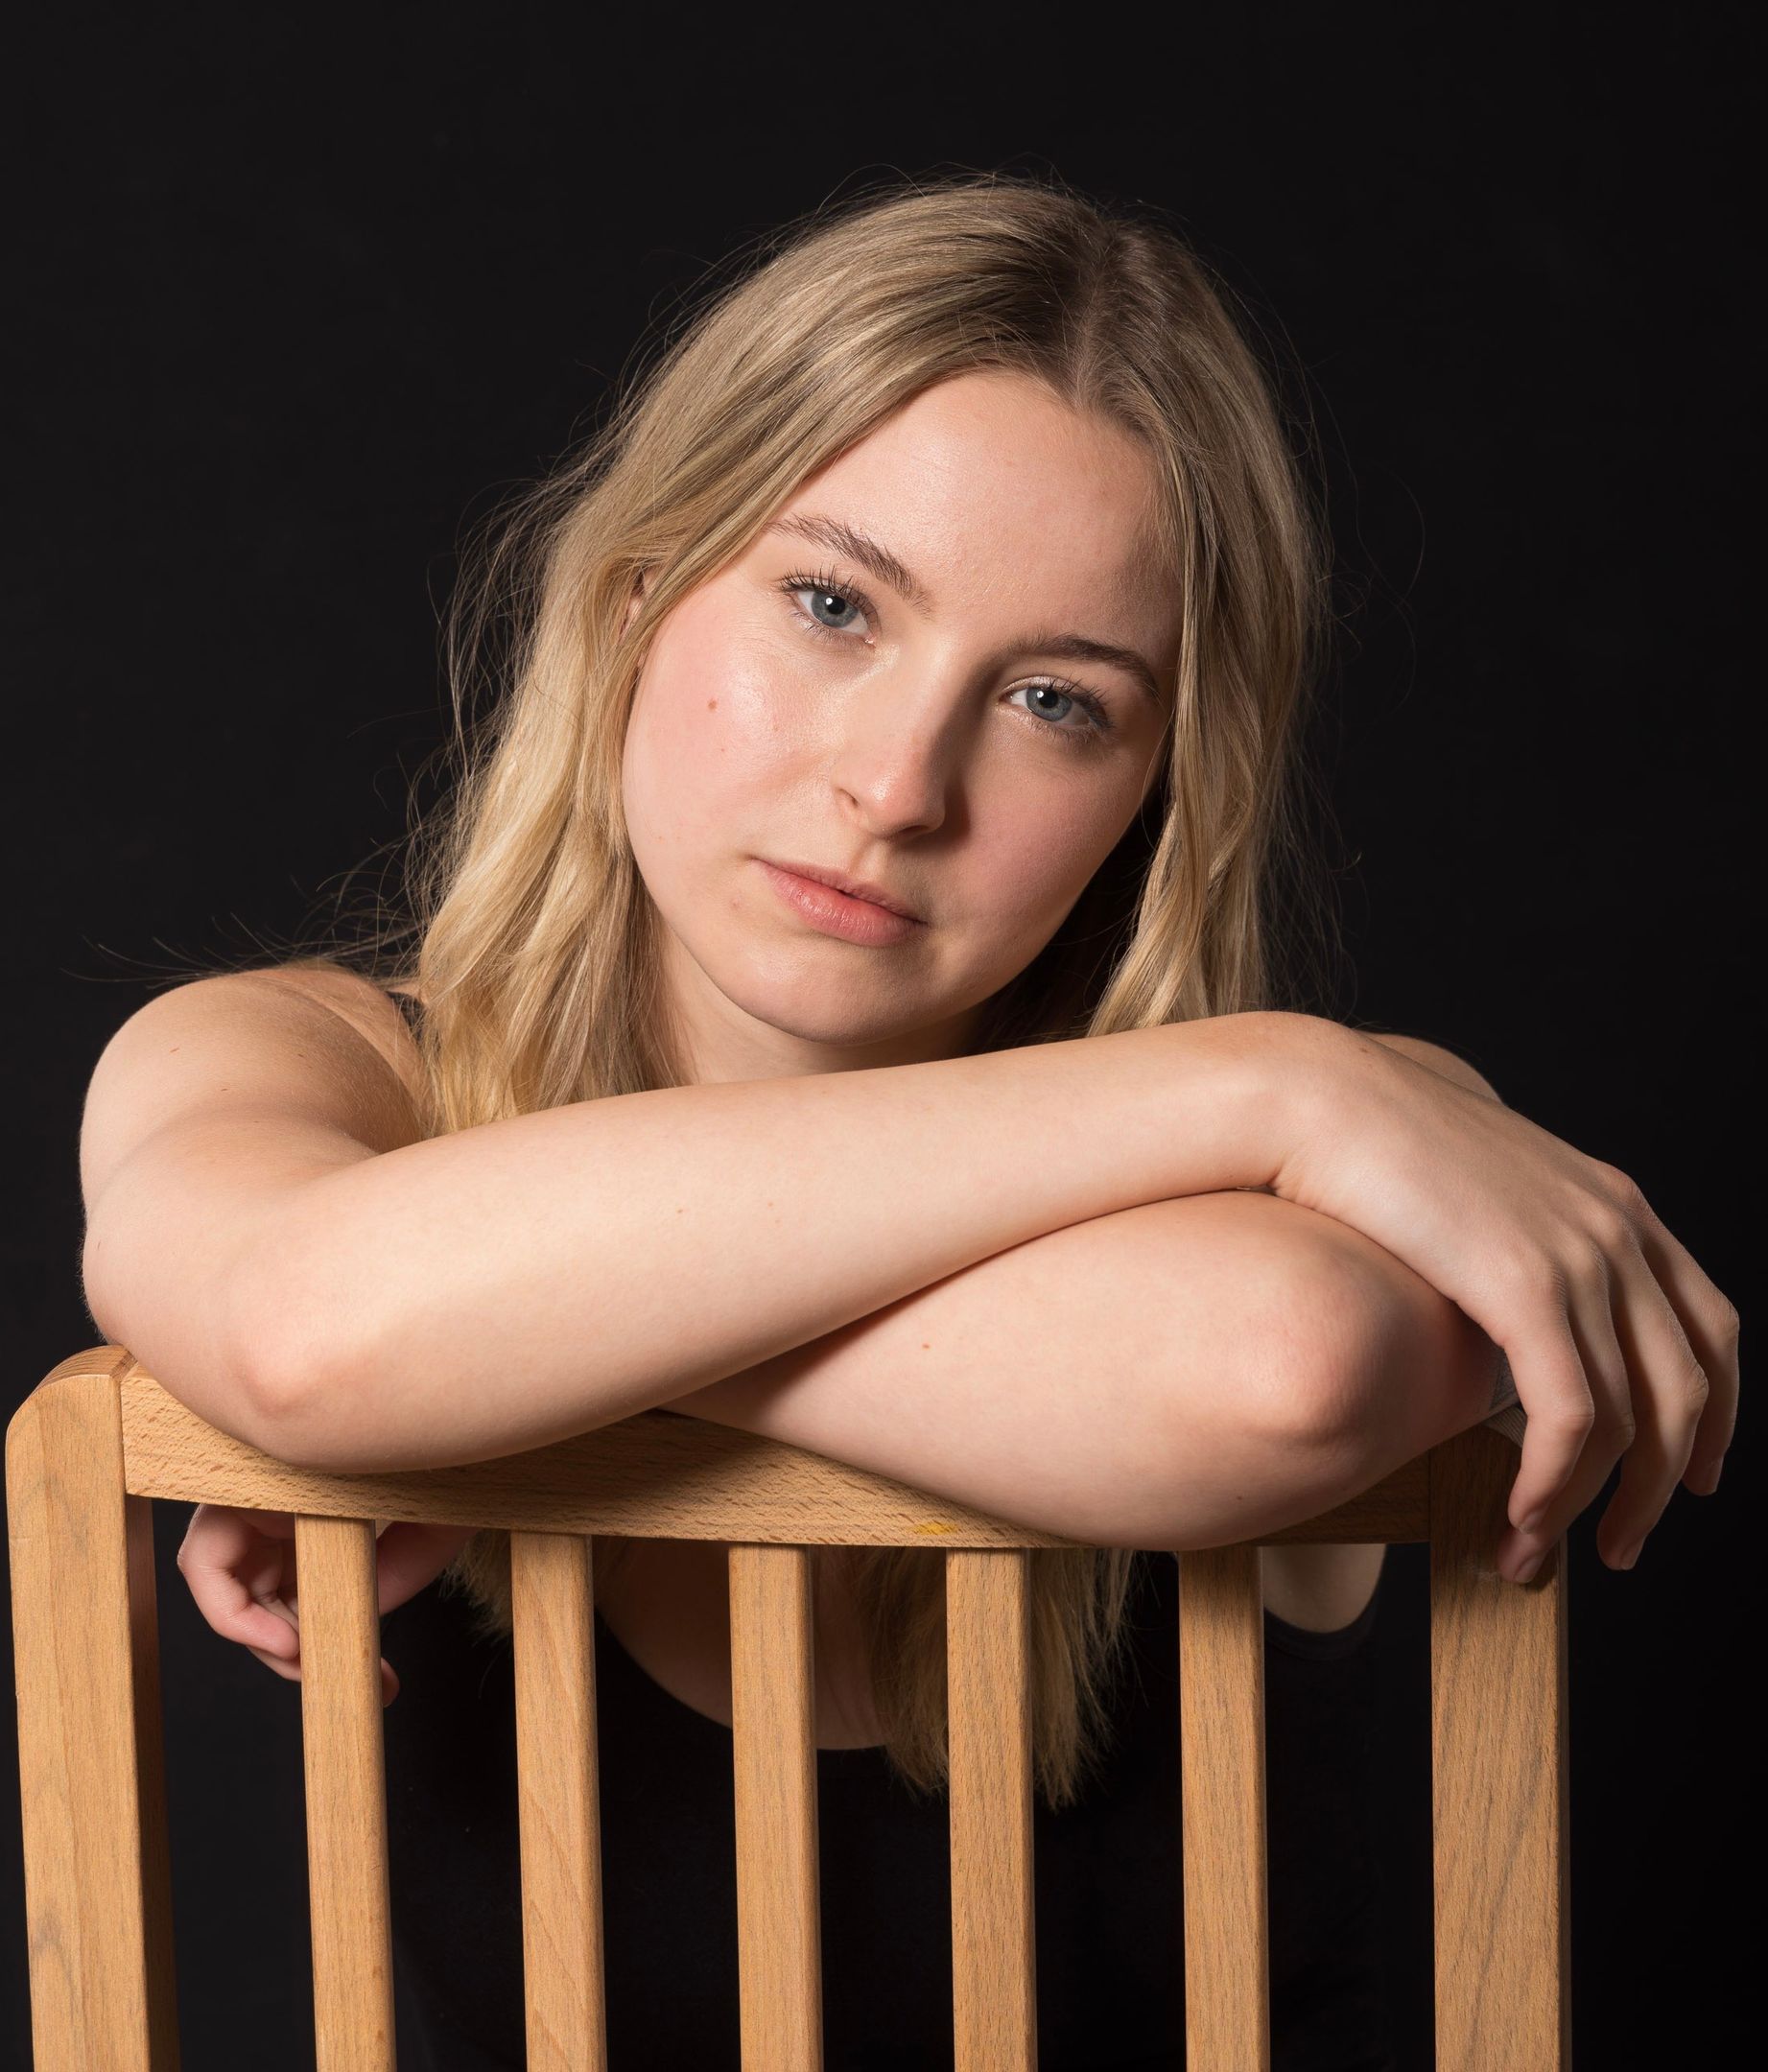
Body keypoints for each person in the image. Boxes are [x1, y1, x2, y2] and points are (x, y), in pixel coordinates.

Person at [81, 171, 1736, 2069]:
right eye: (831, 604)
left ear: (1155, 793)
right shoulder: (299, 1064)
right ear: (638, 597)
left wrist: (490, 1371)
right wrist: (1271, 1079)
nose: (896, 784)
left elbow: (1277, 1371)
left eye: (1053, 701)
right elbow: (316, 1327)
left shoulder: (1365, 1163)